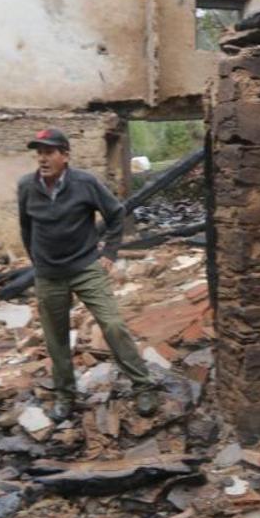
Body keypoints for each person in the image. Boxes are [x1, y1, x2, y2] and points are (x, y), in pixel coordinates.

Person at [17, 128, 160, 421]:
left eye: (49, 152)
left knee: (113, 325)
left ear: (65, 156)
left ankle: (143, 386)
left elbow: (115, 213)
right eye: (39, 152)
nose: (42, 158)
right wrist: (38, 262)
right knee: (55, 338)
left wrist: (109, 253)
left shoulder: (85, 183)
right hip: (49, 275)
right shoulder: (26, 187)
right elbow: (26, 228)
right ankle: (65, 395)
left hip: (85, 268)